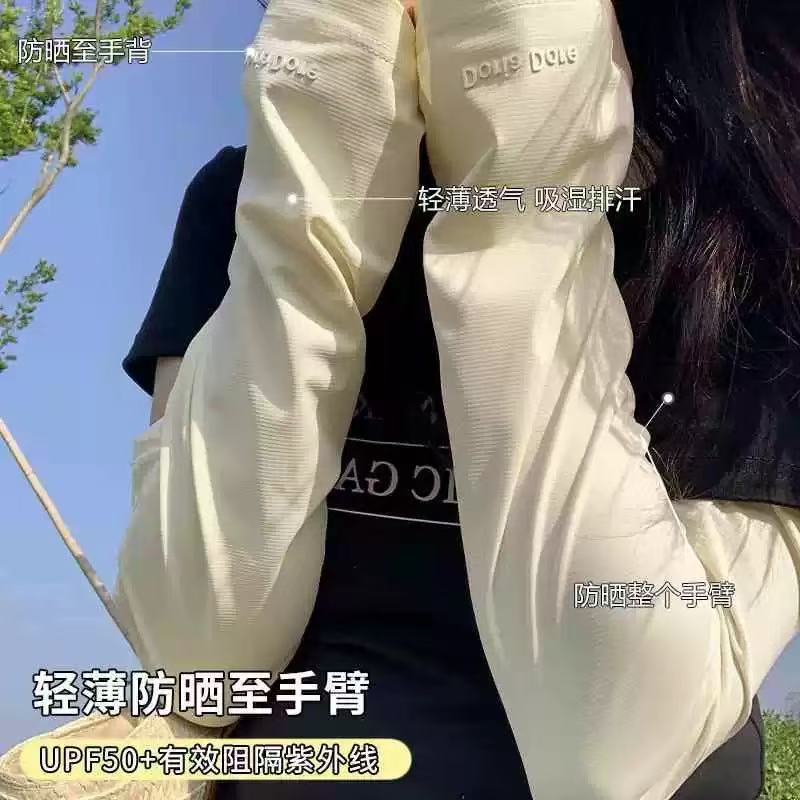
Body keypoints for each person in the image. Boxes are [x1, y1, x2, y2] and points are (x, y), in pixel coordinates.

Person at [119, 0, 800, 797]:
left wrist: (524, 211)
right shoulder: (246, 198)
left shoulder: (754, 217)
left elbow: (619, 747)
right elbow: (197, 657)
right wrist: (312, 212)